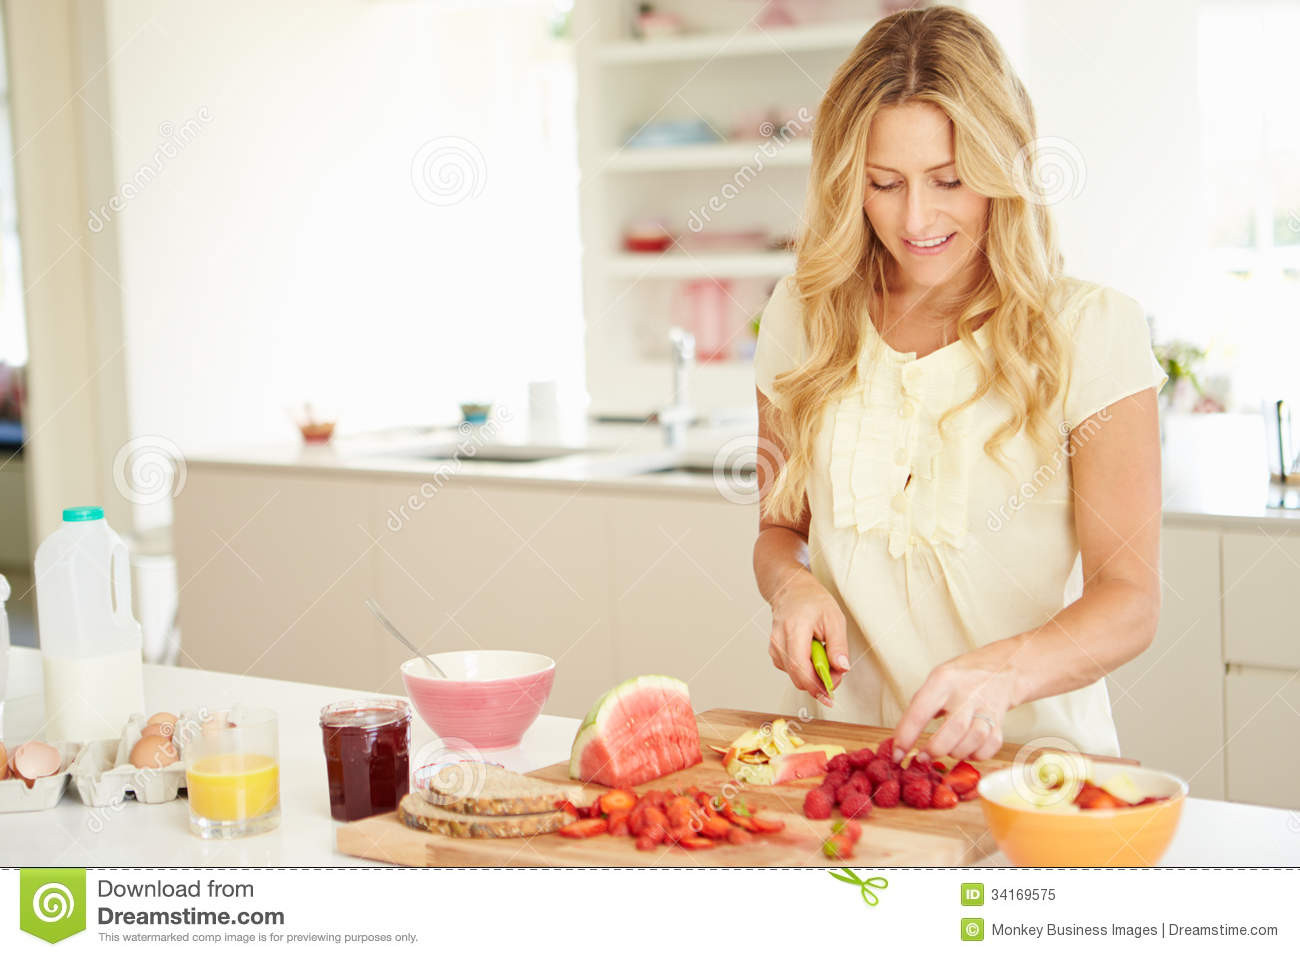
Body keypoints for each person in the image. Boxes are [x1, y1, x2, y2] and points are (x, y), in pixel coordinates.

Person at [751, 5, 1166, 764]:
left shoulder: (1092, 329)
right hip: (842, 758)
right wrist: (792, 589)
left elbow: (1130, 599)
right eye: (884, 183)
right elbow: (781, 532)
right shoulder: (801, 316)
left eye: (949, 179)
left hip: (1030, 768)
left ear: (1001, 167)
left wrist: (1002, 673)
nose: (916, 218)